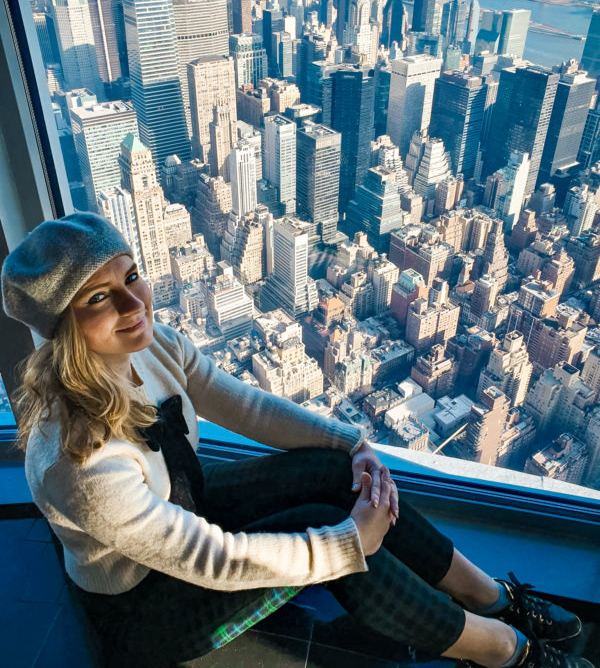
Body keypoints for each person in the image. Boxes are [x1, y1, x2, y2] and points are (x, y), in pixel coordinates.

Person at [0, 212, 591, 668]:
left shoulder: (147, 344)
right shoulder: (78, 461)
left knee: (338, 478)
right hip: (145, 602)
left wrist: (352, 444)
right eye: (99, 297)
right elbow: (209, 558)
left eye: (130, 276)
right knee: (340, 550)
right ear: (59, 328)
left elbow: (244, 403)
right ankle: (504, 650)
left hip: (187, 508)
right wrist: (346, 543)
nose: (134, 303)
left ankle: (489, 596)